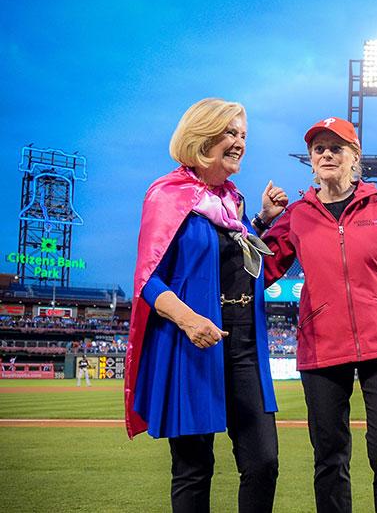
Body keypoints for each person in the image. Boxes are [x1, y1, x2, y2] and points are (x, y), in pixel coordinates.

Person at [259, 117, 377, 513]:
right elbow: (256, 270)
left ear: (354, 157)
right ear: (310, 160)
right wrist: (262, 220)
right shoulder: (298, 215)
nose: (326, 154)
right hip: (322, 347)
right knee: (329, 457)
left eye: (336, 148)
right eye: (318, 148)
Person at [123, 98, 281, 513]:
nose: (239, 142)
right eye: (231, 132)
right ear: (202, 136)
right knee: (194, 470)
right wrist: (188, 319)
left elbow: (235, 258)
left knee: (263, 462)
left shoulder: (234, 203)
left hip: (245, 347)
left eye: (243, 135)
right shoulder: (168, 195)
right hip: (192, 348)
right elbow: (147, 280)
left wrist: (260, 222)